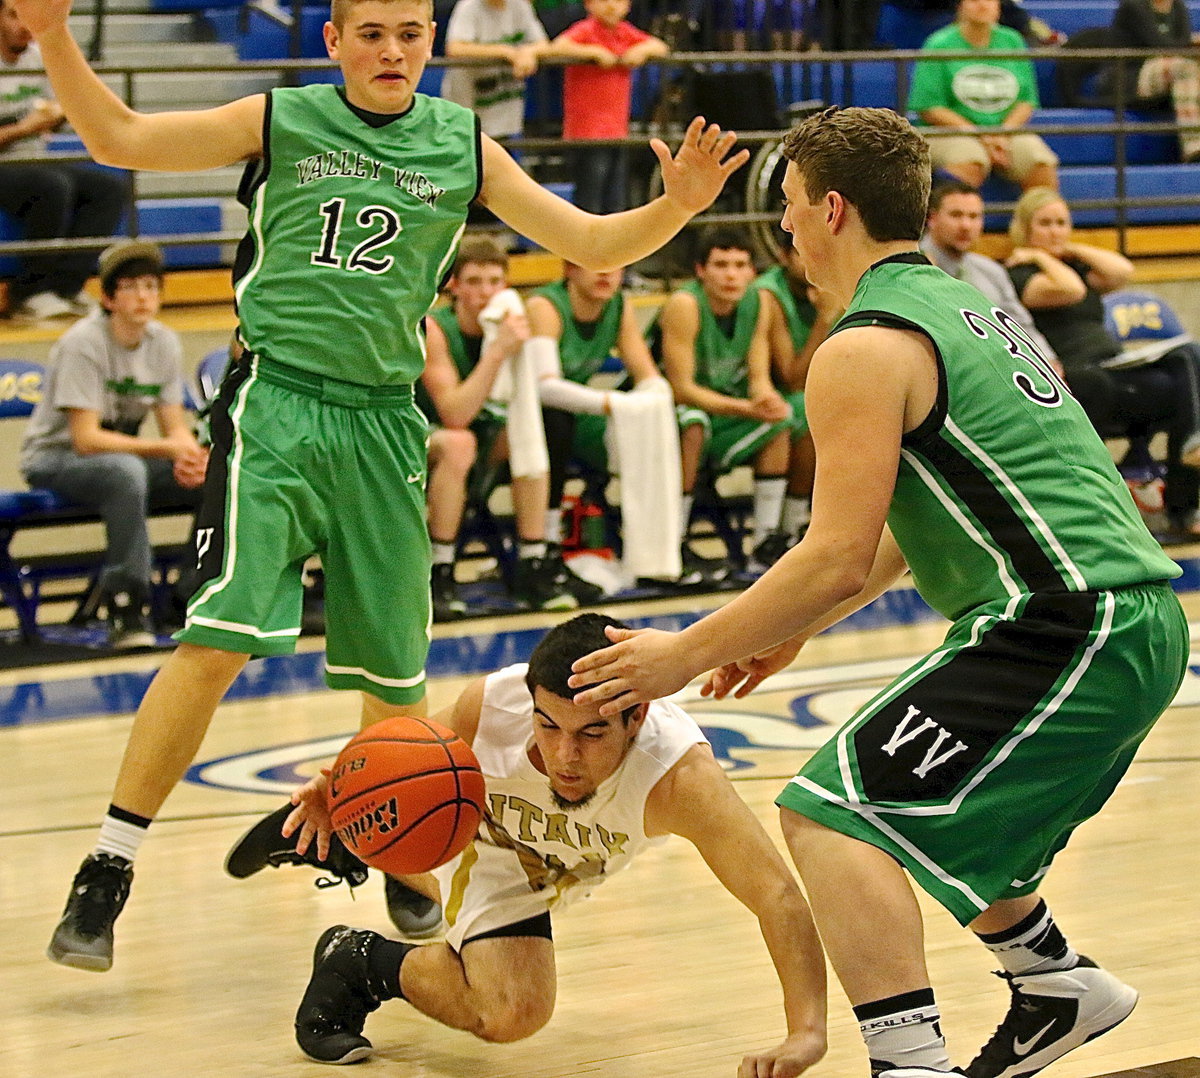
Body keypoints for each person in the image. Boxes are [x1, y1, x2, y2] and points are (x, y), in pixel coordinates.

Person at [25, 0, 749, 973]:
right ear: (333, 42)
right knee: (219, 639)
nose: (393, 50)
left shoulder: (466, 143)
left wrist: (680, 207)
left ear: (431, 43)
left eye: (410, 32)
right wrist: (56, 36)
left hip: (384, 420)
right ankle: (109, 865)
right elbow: (119, 137)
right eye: (371, 32)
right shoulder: (280, 118)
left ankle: (390, 840)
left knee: (396, 679)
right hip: (276, 402)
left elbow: (594, 240)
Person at [568, 106, 1188, 1078]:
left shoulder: (862, 346)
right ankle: (1057, 983)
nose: (782, 228)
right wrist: (800, 627)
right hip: (1121, 618)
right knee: (936, 814)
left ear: (832, 208)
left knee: (831, 811)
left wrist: (678, 654)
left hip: (1065, 620)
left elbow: (833, 555)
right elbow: (911, 525)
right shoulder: (971, 309)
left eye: (786, 207)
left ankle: (911, 1067)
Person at [273, 613, 828, 1073]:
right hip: (484, 847)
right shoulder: (491, 704)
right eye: (548, 726)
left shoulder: (678, 778)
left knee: (503, 969)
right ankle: (359, 959)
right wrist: (344, 789)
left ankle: (379, 875)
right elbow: (404, 759)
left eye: (591, 733)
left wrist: (805, 1031)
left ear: (636, 717)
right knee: (514, 1011)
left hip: (557, 871)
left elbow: (776, 895)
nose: (565, 757)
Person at [19, 240, 207, 648]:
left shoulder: (165, 344)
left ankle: (191, 595)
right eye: (131, 287)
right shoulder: (82, 343)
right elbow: (86, 440)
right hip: (56, 458)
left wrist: (191, 456)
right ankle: (127, 606)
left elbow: (174, 426)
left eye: (151, 287)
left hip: (121, 462)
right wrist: (169, 449)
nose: (143, 297)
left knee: (214, 477)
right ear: (107, 297)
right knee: (125, 472)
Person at [1006, 185, 1200, 538]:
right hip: (1072, 376)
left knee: (1187, 357)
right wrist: (1043, 257)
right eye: (1045, 223)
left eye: (1062, 223)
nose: (1055, 231)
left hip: (1113, 366)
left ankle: (1186, 492)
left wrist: (1070, 249)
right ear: (1025, 229)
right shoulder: (1018, 275)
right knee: (1100, 384)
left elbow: (1122, 271)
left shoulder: (1077, 264)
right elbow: (1071, 291)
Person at [419, 239, 576, 619]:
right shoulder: (434, 328)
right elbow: (454, 412)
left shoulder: (515, 322)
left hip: (482, 433)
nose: (485, 292)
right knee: (459, 443)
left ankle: (533, 560)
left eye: (494, 281)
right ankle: (439, 572)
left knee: (537, 428)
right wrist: (496, 352)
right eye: (474, 281)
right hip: (420, 434)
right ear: (453, 286)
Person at [652, 227, 810, 575]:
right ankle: (673, 543)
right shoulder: (685, 304)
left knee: (787, 417)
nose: (731, 275)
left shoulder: (757, 303)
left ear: (752, 272)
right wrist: (746, 408)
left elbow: (757, 378)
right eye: (721, 265)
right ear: (700, 271)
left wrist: (766, 400)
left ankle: (768, 541)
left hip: (722, 410)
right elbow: (681, 389)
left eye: (740, 265)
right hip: (665, 413)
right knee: (693, 422)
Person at [526, 260, 687, 585]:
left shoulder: (618, 305)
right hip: (526, 418)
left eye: (615, 266)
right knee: (557, 422)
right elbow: (544, 388)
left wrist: (654, 398)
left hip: (580, 415)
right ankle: (547, 546)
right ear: (570, 269)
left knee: (670, 421)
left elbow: (648, 378)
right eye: (595, 263)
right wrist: (614, 403)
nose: (605, 272)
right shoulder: (544, 306)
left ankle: (661, 553)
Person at [0, 0, 126, 320]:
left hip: (31, 159)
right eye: (13, 14)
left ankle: (67, 287)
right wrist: (25, 128)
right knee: (52, 185)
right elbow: (29, 125)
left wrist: (59, 114)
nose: (23, 24)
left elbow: (60, 108)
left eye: (26, 14)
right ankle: (29, 292)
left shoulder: (39, 57)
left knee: (109, 187)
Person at [907, 0, 1059, 192]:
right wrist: (979, 134)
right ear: (960, 5)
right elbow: (929, 108)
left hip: (1004, 131)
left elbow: (1026, 101)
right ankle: (953, 218)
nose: (982, 4)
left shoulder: (1013, 41)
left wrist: (1002, 133)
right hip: (951, 131)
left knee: (1040, 161)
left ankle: (1035, 219)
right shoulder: (938, 44)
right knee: (971, 160)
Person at [920, 179, 1059, 369]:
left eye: (974, 216)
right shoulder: (914, 266)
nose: (966, 226)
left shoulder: (992, 271)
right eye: (956, 215)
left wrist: (1047, 361)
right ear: (932, 219)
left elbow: (1019, 325)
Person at [754, 231, 838, 543]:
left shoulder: (835, 283)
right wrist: (824, 320)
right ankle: (779, 533)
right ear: (783, 256)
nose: (813, 263)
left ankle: (794, 531)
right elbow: (793, 378)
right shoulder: (769, 294)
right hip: (771, 402)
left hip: (800, 400)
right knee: (808, 408)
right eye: (803, 253)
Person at [551, 0, 668, 214]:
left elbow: (660, 47)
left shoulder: (625, 32)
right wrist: (592, 52)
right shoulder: (586, 31)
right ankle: (586, 247)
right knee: (589, 202)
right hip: (586, 133)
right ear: (588, 4)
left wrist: (641, 50)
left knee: (615, 201)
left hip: (616, 131)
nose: (611, 5)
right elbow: (557, 47)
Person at [442, 0, 548, 139]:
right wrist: (506, 52)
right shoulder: (468, 7)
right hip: (467, 113)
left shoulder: (520, 6)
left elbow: (543, 44)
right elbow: (455, 48)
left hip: (503, 110)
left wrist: (528, 52)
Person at [1110, 0, 1200, 163]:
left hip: (1172, 70)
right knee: (1185, 67)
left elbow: (1183, 42)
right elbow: (1158, 45)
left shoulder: (1178, 6)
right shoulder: (1132, 6)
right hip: (1133, 75)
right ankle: (1194, 148)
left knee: (1188, 68)